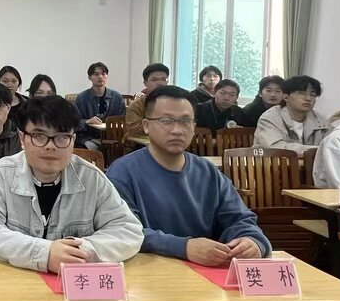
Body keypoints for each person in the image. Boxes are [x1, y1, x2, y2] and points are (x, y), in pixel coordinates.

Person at [0, 96, 142, 272]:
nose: (50, 146)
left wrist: (79, 250)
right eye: (39, 136)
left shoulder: (92, 178)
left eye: (62, 137)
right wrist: (44, 254)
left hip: (75, 282)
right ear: (22, 138)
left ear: (73, 140)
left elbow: (128, 230)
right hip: (15, 279)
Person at [107, 85, 270, 265]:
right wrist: (183, 247)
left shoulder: (208, 172)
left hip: (206, 270)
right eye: (166, 121)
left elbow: (239, 218)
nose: (177, 130)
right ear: (146, 126)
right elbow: (123, 230)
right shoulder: (123, 172)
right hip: (148, 271)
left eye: (185, 121)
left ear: (194, 127)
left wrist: (252, 241)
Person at [254, 75, 328, 152]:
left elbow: (331, 144)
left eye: (312, 95)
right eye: (302, 93)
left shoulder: (319, 120)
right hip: (272, 159)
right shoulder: (269, 118)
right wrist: (316, 150)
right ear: (286, 97)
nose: (308, 98)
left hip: (309, 160)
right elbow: (275, 147)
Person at [74, 61, 126, 150]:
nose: (100, 77)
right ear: (89, 77)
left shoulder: (116, 97)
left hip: (111, 137)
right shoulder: (82, 98)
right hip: (88, 137)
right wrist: (87, 122)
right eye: (96, 74)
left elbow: (123, 119)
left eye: (103, 74)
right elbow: (74, 122)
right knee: (93, 148)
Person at [124, 63, 171, 149]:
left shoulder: (174, 104)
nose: (160, 83)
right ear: (145, 83)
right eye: (154, 79)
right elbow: (134, 129)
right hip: (139, 146)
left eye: (163, 79)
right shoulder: (136, 106)